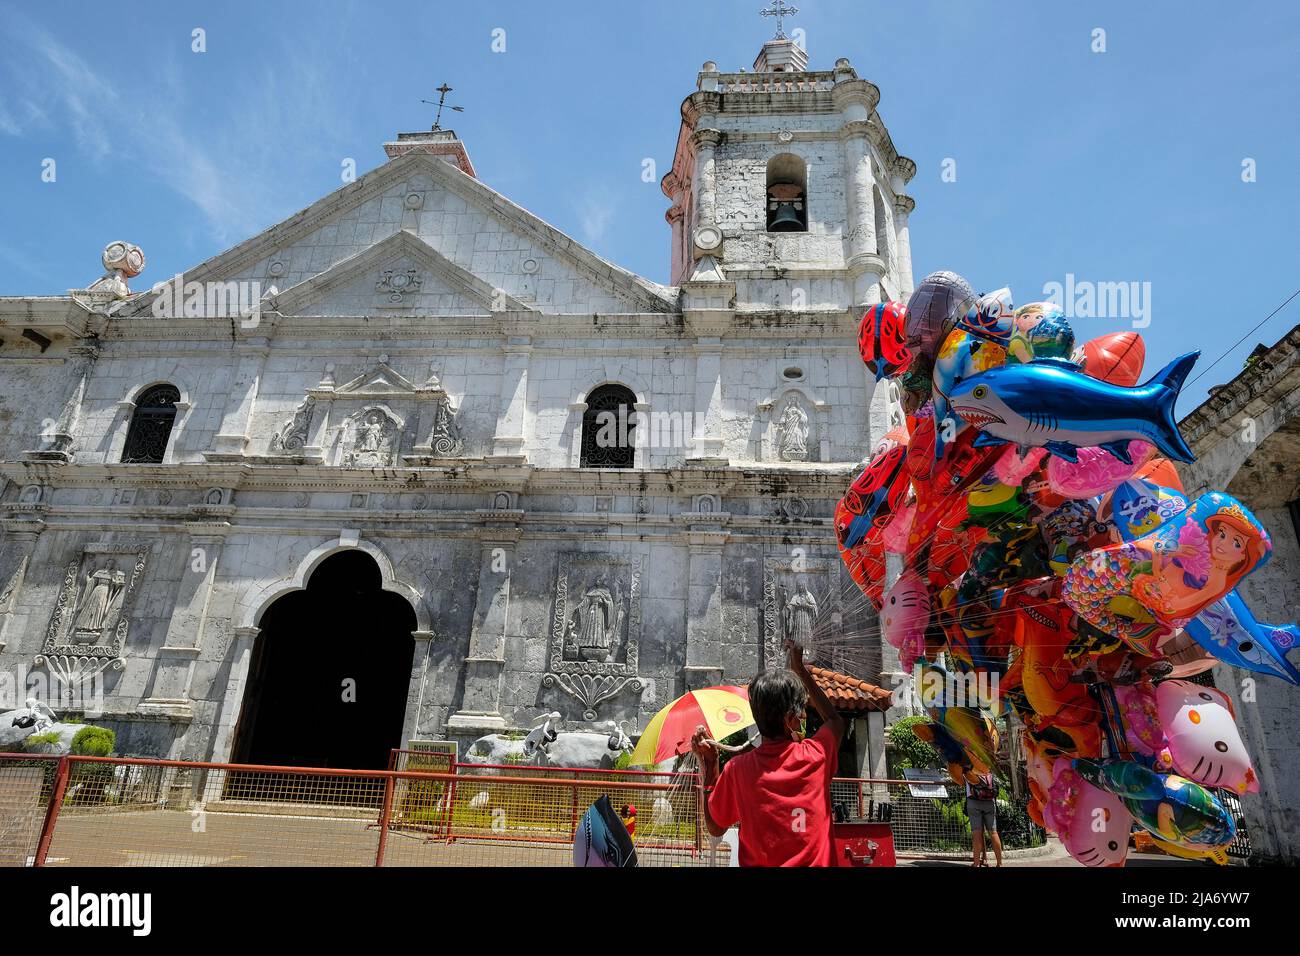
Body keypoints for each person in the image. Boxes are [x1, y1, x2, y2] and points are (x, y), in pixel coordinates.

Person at [691, 640, 846, 866]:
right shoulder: (815, 756)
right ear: (790, 720)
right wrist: (800, 668)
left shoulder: (738, 770)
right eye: (800, 711)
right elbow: (835, 721)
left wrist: (711, 762)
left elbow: (715, 826)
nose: (803, 716)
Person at [966, 770, 1002, 867]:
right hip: (989, 802)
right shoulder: (987, 767)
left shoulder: (968, 767)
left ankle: (976, 863)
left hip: (973, 802)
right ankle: (999, 863)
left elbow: (960, 780)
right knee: (993, 833)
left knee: (977, 833)